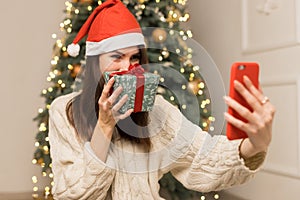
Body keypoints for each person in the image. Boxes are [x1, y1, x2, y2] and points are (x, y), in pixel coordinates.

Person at [48, 0, 276, 199]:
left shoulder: (156, 110)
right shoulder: (64, 111)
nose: (128, 67)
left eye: (135, 57)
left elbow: (203, 159)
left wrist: (254, 144)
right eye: (116, 57)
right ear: (95, 61)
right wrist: (105, 127)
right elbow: (71, 194)